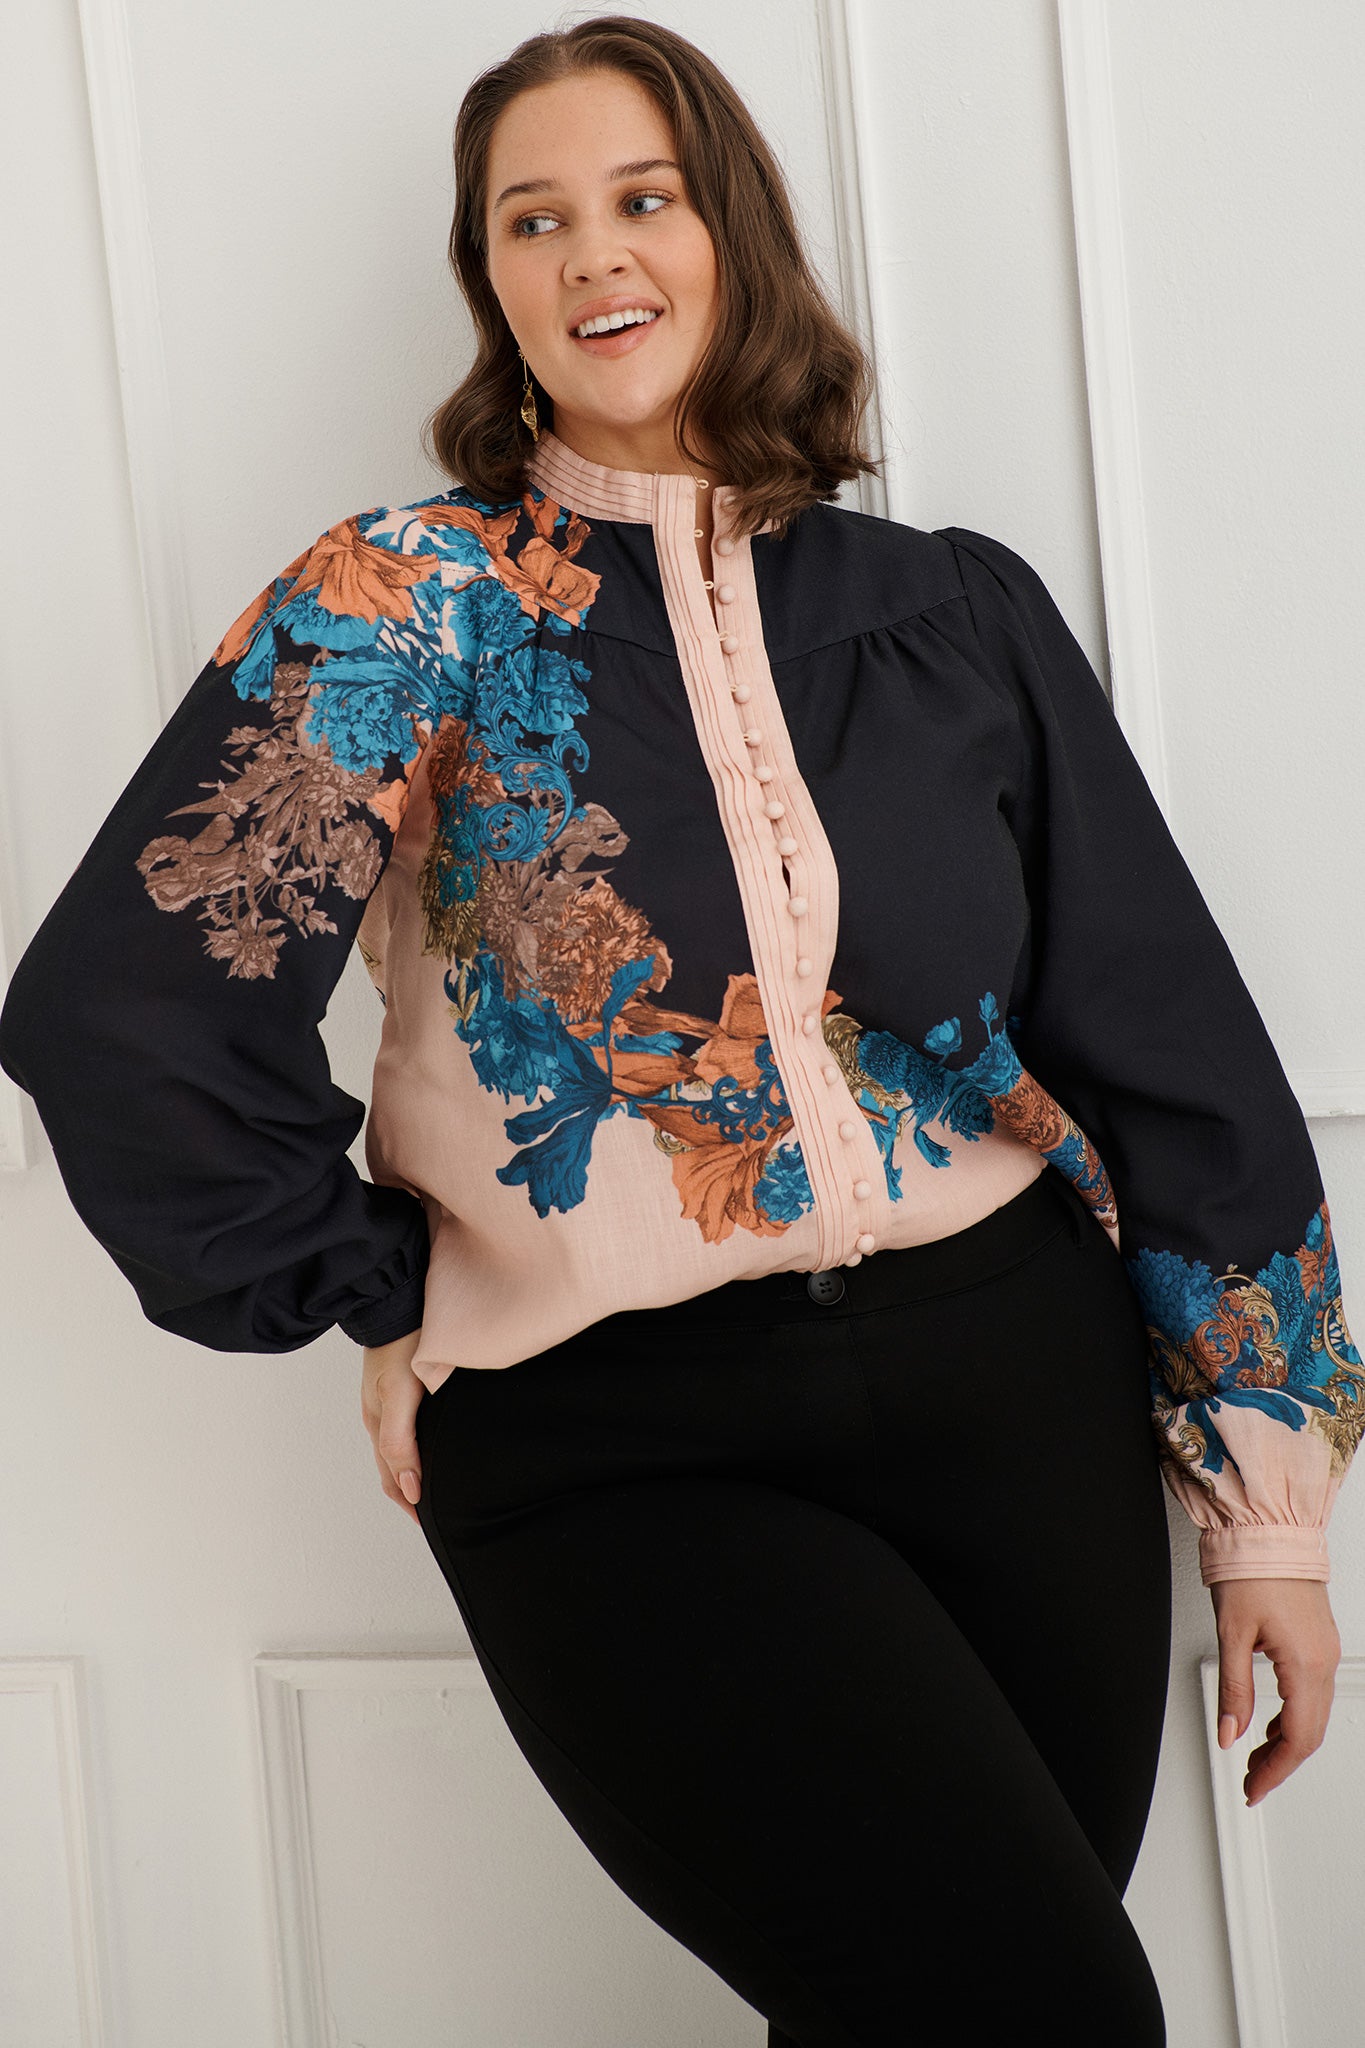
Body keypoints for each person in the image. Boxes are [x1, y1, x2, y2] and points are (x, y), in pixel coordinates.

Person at [1, 14, 1359, 2046]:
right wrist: (382, 1282)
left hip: (1015, 1401)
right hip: (617, 1446)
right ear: (490, 282)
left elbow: (1160, 1042)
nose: (591, 254)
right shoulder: (396, 609)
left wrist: (1267, 1517)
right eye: (530, 219)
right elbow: (127, 1008)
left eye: (640, 197)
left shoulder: (951, 610)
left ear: (731, 231)